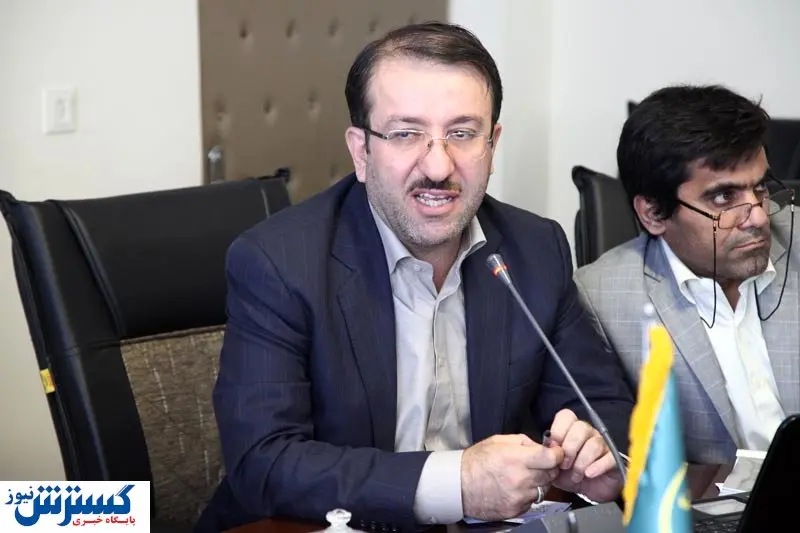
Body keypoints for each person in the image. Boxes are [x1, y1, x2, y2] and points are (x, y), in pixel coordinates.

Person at [196, 22, 634, 533]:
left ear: (492, 145)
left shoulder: (535, 249)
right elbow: (265, 462)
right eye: (406, 133)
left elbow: (605, 409)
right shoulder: (279, 262)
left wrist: (598, 457)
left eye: (462, 134)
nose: (438, 166)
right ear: (361, 151)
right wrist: (456, 483)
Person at [574, 85, 799, 466]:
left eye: (760, 187)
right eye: (724, 198)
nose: (759, 217)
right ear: (653, 214)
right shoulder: (600, 299)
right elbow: (620, 457)